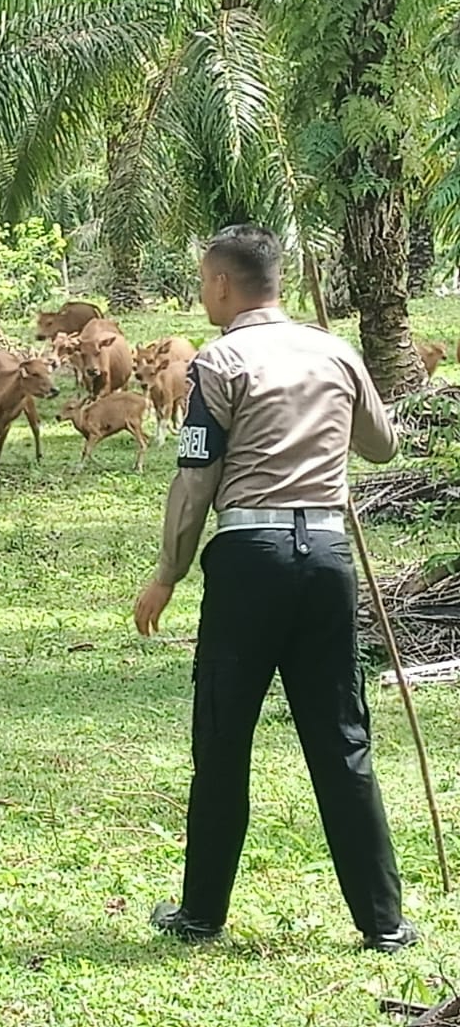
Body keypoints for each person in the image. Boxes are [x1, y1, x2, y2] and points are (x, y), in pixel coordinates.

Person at [132, 224, 416, 953]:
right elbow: (381, 445)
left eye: (202, 281)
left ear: (224, 285)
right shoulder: (335, 350)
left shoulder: (220, 361)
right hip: (326, 556)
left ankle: (201, 915)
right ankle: (383, 924)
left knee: (224, 738)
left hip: (249, 559)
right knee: (342, 738)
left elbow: (195, 480)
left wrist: (168, 572)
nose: (202, 293)